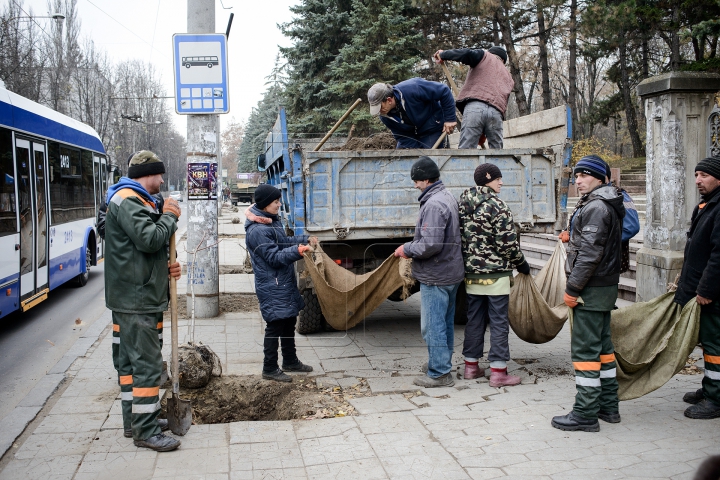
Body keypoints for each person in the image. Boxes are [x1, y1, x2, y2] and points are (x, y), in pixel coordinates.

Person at [104, 150, 182, 452]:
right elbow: (150, 238)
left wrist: (165, 267)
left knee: (128, 366)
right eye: (159, 174)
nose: (162, 180)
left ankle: (135, 421)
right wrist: (171, 217)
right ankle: (146, 432)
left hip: (133, 294)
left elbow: (139, 252)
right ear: (146, 175)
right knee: (147, 366)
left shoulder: (135, 200)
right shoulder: (129, 200)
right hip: (137, 300)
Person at [551, 155, 625, 433]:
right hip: (604, 286)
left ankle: (585, 413)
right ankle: (608, 406)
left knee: (585, 351)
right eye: (577, 175)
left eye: (585, 175)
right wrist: (573, 236)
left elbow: (591, 255)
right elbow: (595, 243)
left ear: (601, 178)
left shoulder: (597, 206)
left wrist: (572, 289)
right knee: (604, 349)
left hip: (591, 288)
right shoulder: (604, 202)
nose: (578, 181)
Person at [394, 156, 464, 387]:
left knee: (432, 325)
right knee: (444, 323)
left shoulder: (434, 204)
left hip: (437, 274)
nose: (415, 185)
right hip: (449, 272)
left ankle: (439, 373)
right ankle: (441, 361)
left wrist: (406, 249)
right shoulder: (446, 196)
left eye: (416, 181)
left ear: (425, 179)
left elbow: (431, 244)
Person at [458, 163, 531, 385]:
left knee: (474, 319)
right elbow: (507, 245)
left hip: (471, 273)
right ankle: (499, 372)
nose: (501, 182)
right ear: (488, 180)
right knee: (499, 321)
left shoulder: (463, 204)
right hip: (496, 274)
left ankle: (471, 367)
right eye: (498, 179)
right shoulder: (498, 207)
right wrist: (522, 263)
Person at [245, 184, 317, 382]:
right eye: (276, 202)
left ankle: (290, 361)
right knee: (275, 324)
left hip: (282, 282)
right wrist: (299, 251)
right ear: (266, 203)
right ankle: (269, 367)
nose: (279, 205)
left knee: (288, 321)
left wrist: (305, 239)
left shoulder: (270, 222)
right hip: (271, 285)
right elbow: (274, 257)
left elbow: (283, 242)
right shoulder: (257, 231)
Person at [674, 157, 720, 420]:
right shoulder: (707, 206)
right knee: (709, 346)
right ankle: (710, 388)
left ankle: (716, 398)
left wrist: (706, 290)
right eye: (696, 175)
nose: (697, 181)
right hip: (701, 291)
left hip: (712, 295)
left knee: (715, 348)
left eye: (703, 175)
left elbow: (718, 256)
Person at [433, 46, 513, 149]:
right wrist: (483, 131)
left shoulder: (485, 56)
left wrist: (444, 54)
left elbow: (466, 54)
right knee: (497, 152)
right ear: (503, 60)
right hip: (497, 113)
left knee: (466, 150)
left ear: (491, 53)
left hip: (475, 107)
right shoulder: (509, 77)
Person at [367, 79, 457, 149]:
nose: (379, 111)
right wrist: (416, 152)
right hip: (412, 134)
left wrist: (449, 119)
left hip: (432, 127)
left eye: (380, 107)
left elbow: (444, 91)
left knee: (429, 159)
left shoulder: (413, 87)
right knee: (402, 157)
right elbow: (401, 135)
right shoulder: (384, 115)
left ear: (389, 100)